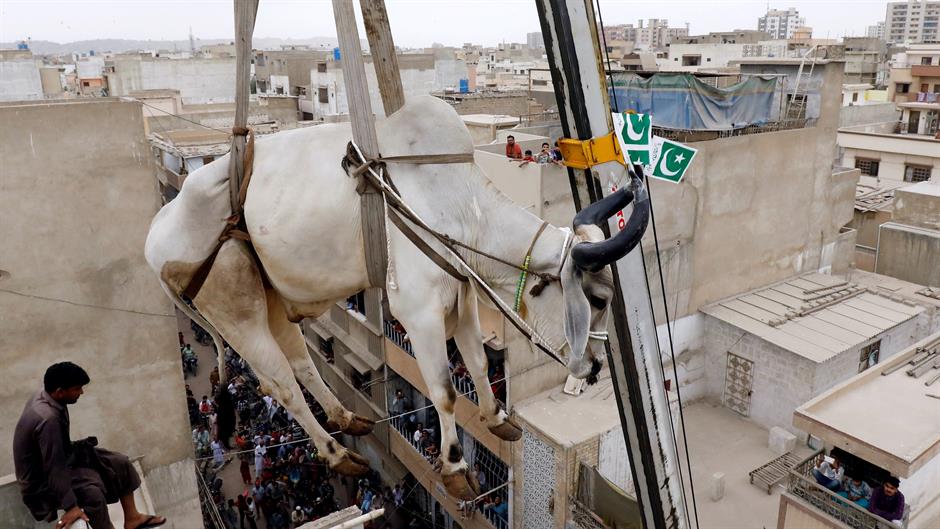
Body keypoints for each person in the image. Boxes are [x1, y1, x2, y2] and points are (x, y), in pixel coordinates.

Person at [13, 362, 167, 529]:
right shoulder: (48, 419)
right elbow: (54, 467)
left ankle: (132, 518)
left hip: (64, 458)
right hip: (41, 483)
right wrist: (71, 507)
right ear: (60, 392)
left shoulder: (47, 396)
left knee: (119, 462)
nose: (81, 392)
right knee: (92, 492)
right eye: (77, 388)